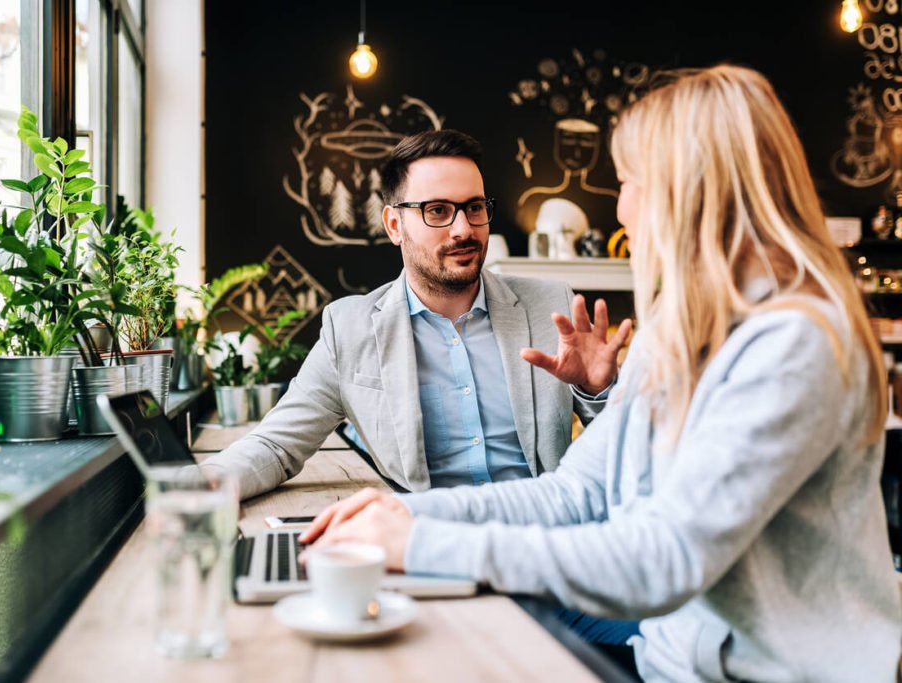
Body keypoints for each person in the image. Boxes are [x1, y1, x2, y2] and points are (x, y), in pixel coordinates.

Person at [300, 66, 902, 681]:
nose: (621, 208)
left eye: (629, 182)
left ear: (689, 189)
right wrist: (401, 516)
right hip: (671, 664)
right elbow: (575, 493)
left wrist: (419, 546)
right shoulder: (678, 326)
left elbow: (665, 558)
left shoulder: (795, 344)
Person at [204, 130, 630, 499]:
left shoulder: (551, 306)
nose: (464, 229)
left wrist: (600, 392)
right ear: (394, 225)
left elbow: (628, 451)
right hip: (428, 547)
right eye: (438, 211)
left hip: (541, 539)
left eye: (475, 208)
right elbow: (277, 446)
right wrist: (188, 487)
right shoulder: (350, 330)